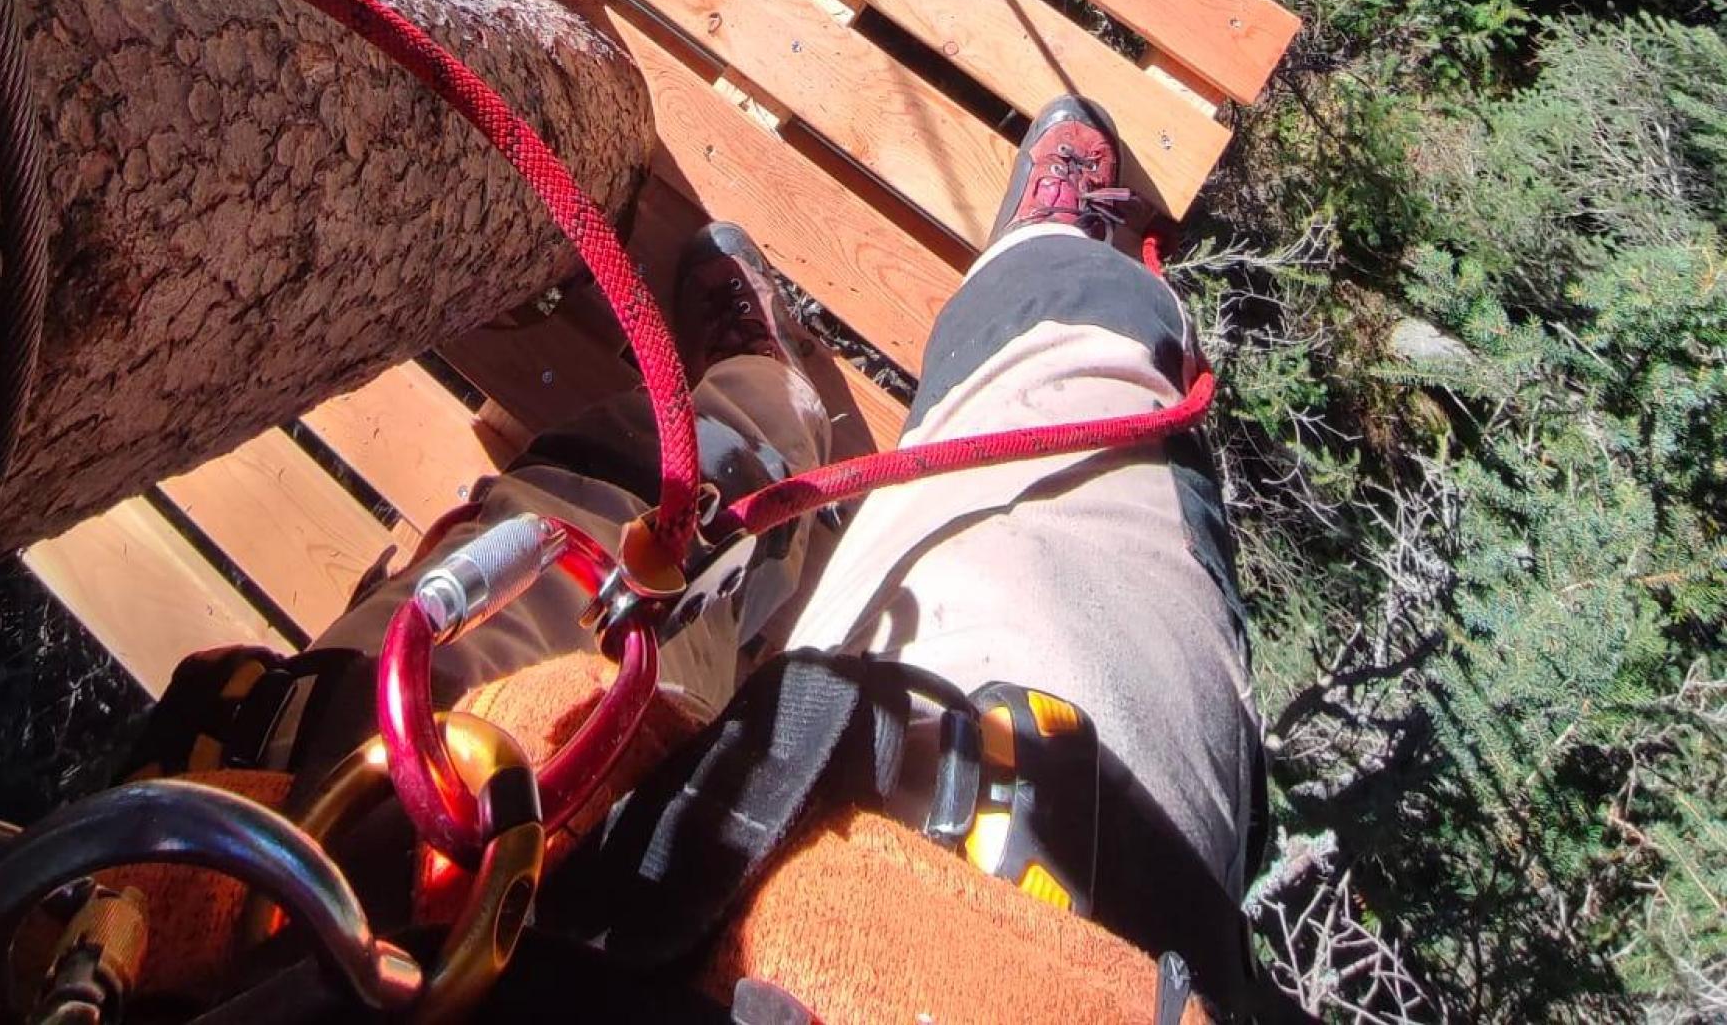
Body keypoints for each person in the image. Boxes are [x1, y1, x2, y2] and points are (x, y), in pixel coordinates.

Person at [129, 98, 1271, 1021]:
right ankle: (1058, 263)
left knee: (602, 513)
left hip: (308, 852)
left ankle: (764, 398)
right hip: (988, 915)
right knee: (1064, 451)